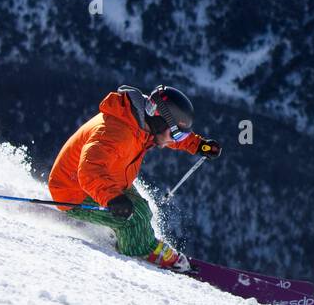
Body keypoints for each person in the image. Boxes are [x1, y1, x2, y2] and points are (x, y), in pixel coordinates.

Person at [48, 85, 221, 268]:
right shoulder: (115, 133)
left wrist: (198, 145)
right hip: (74, 190)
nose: (175, 139)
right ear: (159, 122)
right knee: (133, 218)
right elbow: (89, 171)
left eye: (181, 136)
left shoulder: (140, 120)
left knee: (142, 209)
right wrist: (113, 198)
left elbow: (167, 136)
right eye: (176, 134)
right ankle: (139, 254)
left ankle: (137, 240)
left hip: (108, 178)